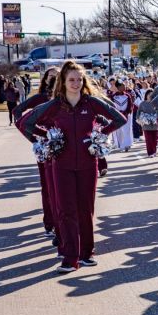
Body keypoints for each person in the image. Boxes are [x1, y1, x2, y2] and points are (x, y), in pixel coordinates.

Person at [19, 61, 127, 273]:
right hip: (62, 164)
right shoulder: (55, 105)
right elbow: (25, 124)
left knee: (86, 209)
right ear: (64, 82)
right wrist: (48, 137)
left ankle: (87, 254)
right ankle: (70, 258)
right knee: (66, 210)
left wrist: (101, 133)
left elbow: (119, 118)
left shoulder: (92, 102)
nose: (76, 83)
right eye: (71, 80)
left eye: (79, 79)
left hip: (88, 163)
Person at [13, 67, 60, 239]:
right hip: (47, 147)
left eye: (57, 76)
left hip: (66, 146)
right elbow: (17, 113)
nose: (54, 79)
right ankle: (50, 223)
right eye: (51, 76)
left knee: (63, 189)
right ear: (45, 79)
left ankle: (63, 224)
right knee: (48, 186)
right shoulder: (41, 98)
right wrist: (35, 138)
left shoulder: (66, 98)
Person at [110, 81, 134, 153]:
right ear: (118, 87)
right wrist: (117, 113)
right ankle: (121, 145)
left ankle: (127, 144)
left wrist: (126, 112)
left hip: (126, 115)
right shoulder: (113, 96)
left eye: (124, 85)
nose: (124, 87)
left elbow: (130, 106)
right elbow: (112, 106)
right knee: (119, 131)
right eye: (122, 86)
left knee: (127, 130)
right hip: (117, 116)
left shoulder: (127, 96)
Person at [136, 89, 158, 157]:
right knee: (148, 139)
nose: (150, 96)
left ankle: (154, 151)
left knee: (155, 139)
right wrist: (139, 120)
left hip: (155, 125)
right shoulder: (142, 103)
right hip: (146, 125)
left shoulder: (156, 103)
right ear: (146, 95)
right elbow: (138, 112)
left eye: (152, 95)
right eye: (149, 94)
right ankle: (150, 153)